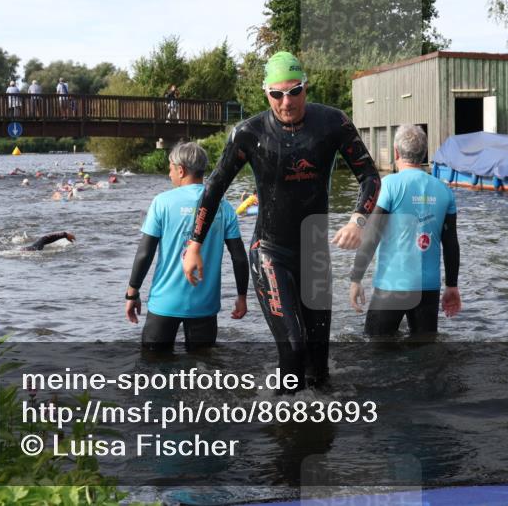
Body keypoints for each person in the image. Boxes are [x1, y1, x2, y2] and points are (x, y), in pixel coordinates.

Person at [183, 51, 380, 392]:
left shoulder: (333, 123)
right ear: (266, 93)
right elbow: (214, 187)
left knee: (318, 364)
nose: (286, 102)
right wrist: (194, 244)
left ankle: (319, 435)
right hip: (270, 251)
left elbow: (370, 176)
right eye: (277, 94)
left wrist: (357, 221)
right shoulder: (249, 133)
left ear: (306, 88)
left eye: (294, 91)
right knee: (293, 346)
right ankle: (285, 427)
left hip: (314, 254)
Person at [126, 142, 249, 352]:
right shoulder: (223, 205)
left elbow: (145, 253)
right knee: (203, 371)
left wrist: (132, 293)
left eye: (171, 168)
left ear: (181, 170)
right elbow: (238, 257)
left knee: (154, 370)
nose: (169, 173)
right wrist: (241, 297)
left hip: (165, 303)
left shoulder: (162, 202)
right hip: (205, 306)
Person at [349, 125, 461, 336]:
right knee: (425, 354)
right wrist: (452, 286)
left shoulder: (389, 185)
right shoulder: (445, 191)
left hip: (392, 285)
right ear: (424, 153)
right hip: (428, 288)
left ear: (396, 152)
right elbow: (451, 243)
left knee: (375, 348)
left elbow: (372, 236)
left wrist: (356, 278)